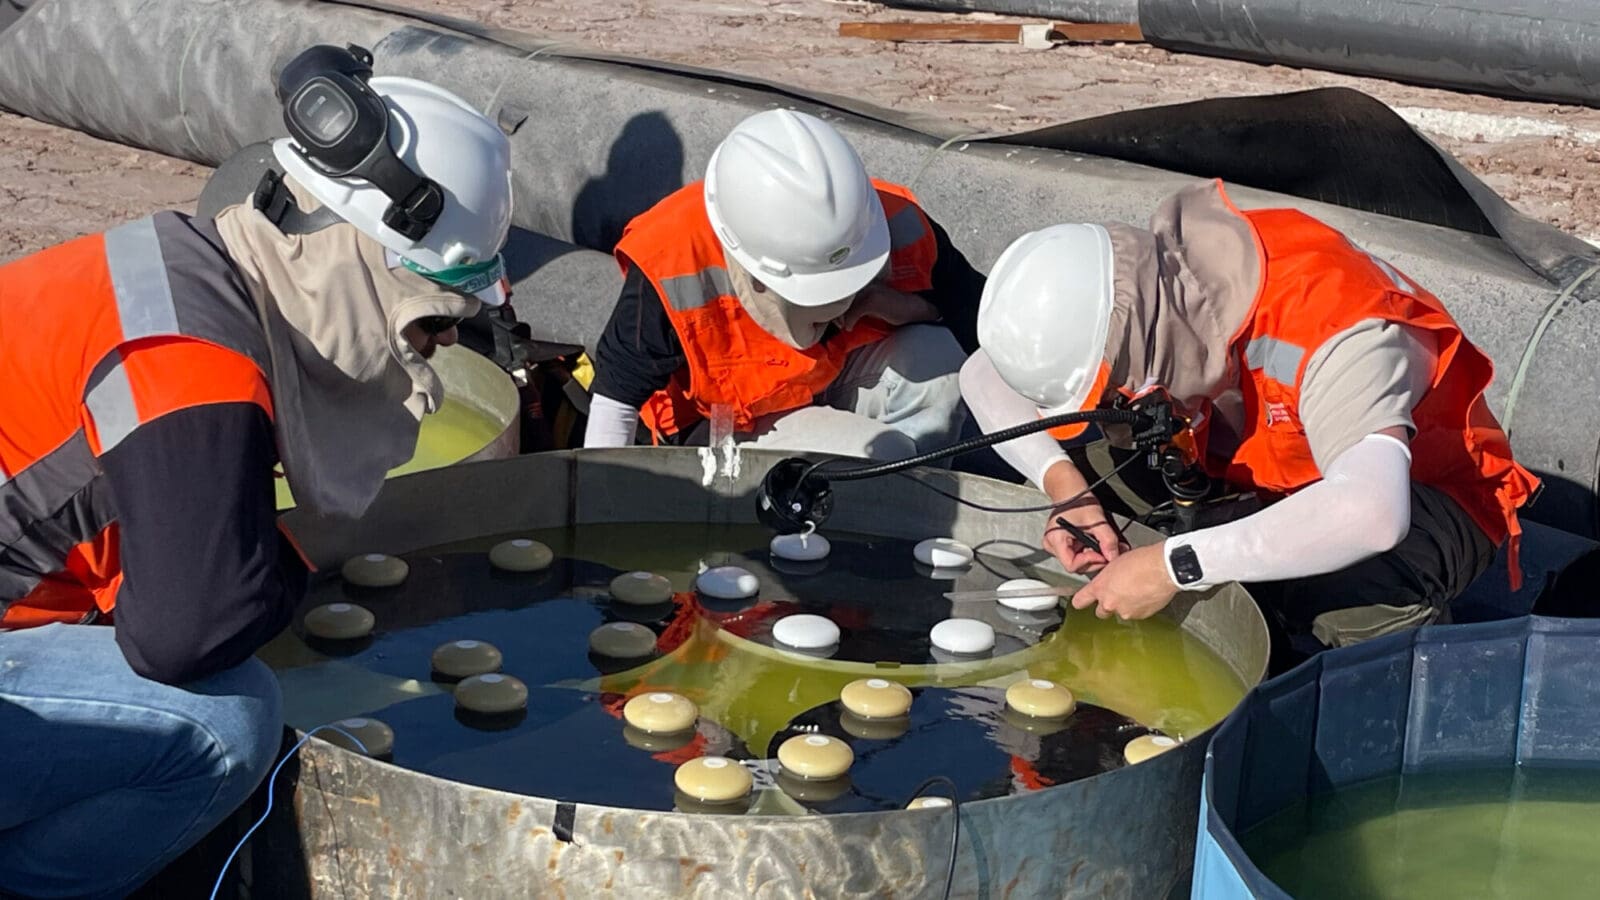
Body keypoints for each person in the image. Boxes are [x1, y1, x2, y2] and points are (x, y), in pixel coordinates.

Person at [0, 45, 514, 897]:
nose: (436, 348)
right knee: (228, 721)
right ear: (359, 260)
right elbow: (188, 633)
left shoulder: (181, 264)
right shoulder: (194, 366)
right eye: (434, 320)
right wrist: (300, 546)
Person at [962, 179, 1539, 669]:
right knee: (1106, 464)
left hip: (1425, 494)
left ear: (1145, 355)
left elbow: (1372, 514)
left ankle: (1378, 701)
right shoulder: (1161, 296)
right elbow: (983, 374)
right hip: (1259, 470)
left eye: (1113, 392)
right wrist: (1070, 493)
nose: (1115, 405)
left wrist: (1174, 565)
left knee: (1354, 589)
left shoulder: (1342, 330)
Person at [583, 109, 983, 461]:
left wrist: (903, 305)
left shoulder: (896, 223)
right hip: (726, 423)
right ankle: (860, 516)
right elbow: (615, 399)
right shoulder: (673, 255)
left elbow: (978, 318)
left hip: (828, 377)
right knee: (877, 455)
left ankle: (918, 512)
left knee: (937, 363)